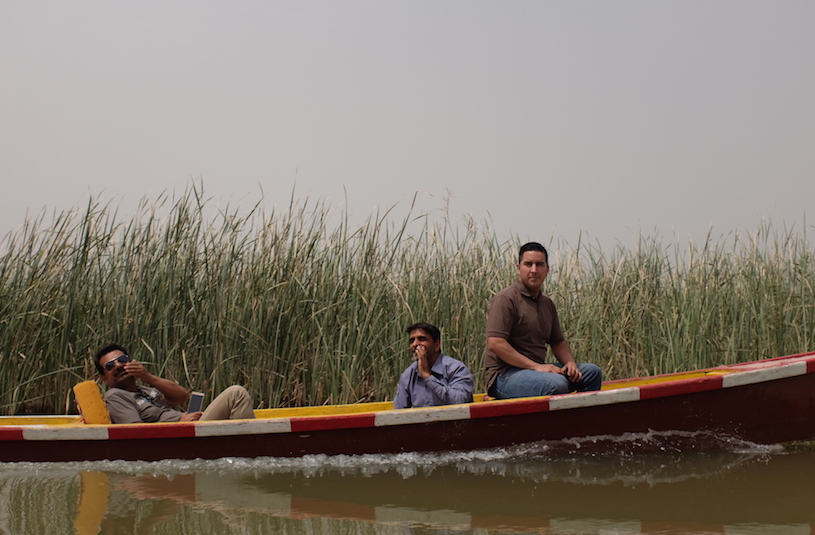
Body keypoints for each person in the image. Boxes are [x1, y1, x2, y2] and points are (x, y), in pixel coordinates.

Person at [484, 242, 602, 399]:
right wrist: (536, 367)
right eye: (528, 264)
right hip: (505, 375)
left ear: (547, 269)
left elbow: (557, 341)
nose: (534, 270)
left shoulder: (547, 304)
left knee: (591, 372)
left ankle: (581, 415)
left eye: (539, 265)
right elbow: (495, 343)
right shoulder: (506, 299)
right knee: (556, 384)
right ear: (519, 268)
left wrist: (570, 363)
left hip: (536, 372)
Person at [94, 343, 256, 423]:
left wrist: (148, 377)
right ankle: (251, 451)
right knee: (236, 394)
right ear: (104, 378)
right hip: (183, 435)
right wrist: (179, 423)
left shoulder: (145, 389)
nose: (118, 365)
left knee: (235, 399)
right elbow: (134, 432)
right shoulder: (115, 396)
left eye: (122, 360)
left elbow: (181, 396)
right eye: (110, 366)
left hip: (190, 426)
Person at [394, 322, 474, 409]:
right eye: (412, 340)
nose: (415, 344)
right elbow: (399, 410)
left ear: (437, 345)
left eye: (422, 339)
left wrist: (427, 377)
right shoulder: (408, 375)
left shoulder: (456, 369)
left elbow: (459, 401)